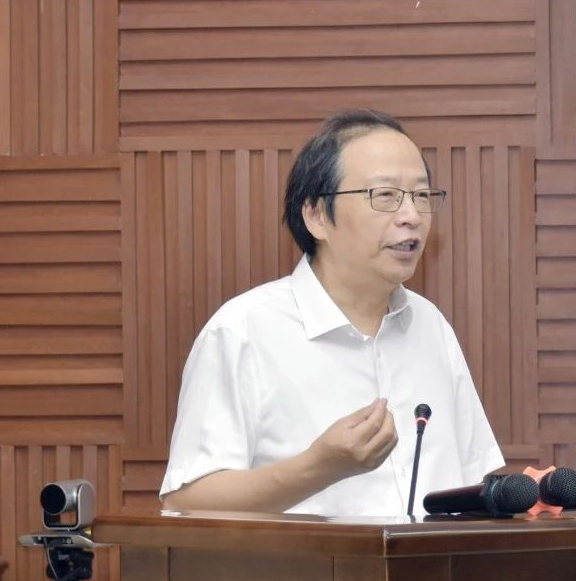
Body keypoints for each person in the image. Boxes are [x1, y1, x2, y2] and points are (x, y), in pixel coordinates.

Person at [158, 109, 504, 516]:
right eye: (385, 195)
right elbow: (187, 501)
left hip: (431, 560)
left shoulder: (431, 326)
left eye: (421, 196)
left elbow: (475, 477)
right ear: (317, 215)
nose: (411, 216)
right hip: (305, 562)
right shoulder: (242, 331)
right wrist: (318, 467)